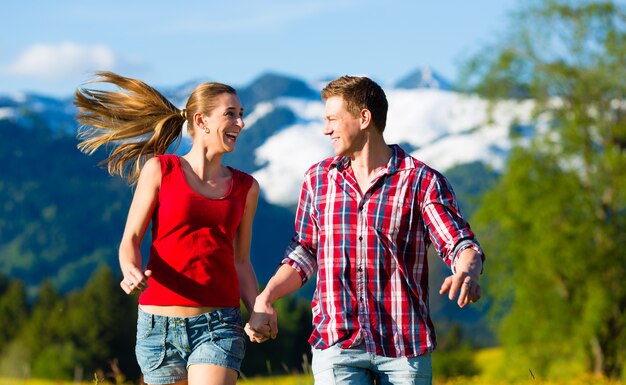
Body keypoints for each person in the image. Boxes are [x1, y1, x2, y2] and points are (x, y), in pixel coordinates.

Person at [245, 76, 485, 385]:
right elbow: (304, 253)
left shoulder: (421, 181)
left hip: (403, 345)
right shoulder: (318, 180)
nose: (326, 129)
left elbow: (458, 243)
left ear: (363, 118)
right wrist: (267, 297)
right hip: (337, 343)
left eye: (332, 119)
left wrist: (468, 270)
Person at [75, 71, 263, 385]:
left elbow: (241, 260)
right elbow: (130, 240)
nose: (240, 123)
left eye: (241, 115)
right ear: (201, 121)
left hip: (218, 326)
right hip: (157, 327)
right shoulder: (161, 169)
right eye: (231, 115)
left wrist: (258, 309)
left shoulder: (246, 187)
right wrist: (130, 269)